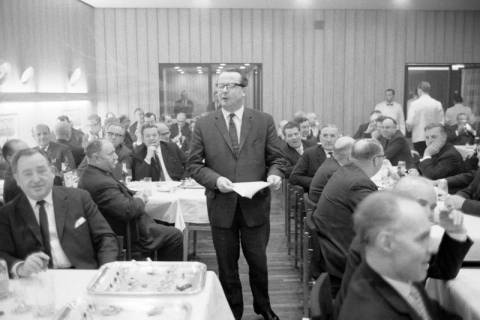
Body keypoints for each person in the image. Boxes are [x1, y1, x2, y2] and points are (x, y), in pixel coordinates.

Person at [187, 68, 284, 320]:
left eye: (229, 86)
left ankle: (264, 307)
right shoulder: (204, 123)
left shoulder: (263, 121)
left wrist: (275, 174)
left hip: (255, 205)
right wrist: (215, 180)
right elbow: (194, 164)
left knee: (258, 263)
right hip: (222, 204)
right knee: (226, 266)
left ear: (243, 90)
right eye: (219, 86)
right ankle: (232, 311)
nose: (222, 91)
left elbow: (276, 158)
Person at [336, 176, 472, 314]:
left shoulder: (397, 235)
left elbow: (442, 271)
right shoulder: (377, 244)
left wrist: (456, 231)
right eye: (423, 205)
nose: (431, 215)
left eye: (433, 207)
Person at [0, 148, 118, 277]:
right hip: (37, 281)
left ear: (52, 172)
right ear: (17, 179)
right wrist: (20, 266)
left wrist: (105, 271)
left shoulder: (79, 198)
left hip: (82, 276)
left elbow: (105, 237)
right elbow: (2, 253)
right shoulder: (7, 214)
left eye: (41, 171)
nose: (36, 179)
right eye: (27, 174)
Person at [78, 140, 183, 261]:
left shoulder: (95, 174)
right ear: (96, 158)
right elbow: (128, 211)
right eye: (111, 154)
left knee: (165, 224)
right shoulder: (100, 182)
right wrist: (140, 198)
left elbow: (120, 194)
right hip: (131, 233)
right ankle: (168, 276)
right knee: (175, 236)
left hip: (131, 225)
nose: (116, 157)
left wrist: (135, 195)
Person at [313, 139, 382, 293]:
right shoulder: (359, 182)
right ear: (376, 160)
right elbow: (380, 218)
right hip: (342, 254)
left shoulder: (346, 171)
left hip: (331, 245)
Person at [289, 125, 339, 191]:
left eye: (332, 136)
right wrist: (317, 182)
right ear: (320, 138)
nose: (328, 140)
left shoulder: (345, 154)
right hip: (317, 193)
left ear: (338, 138)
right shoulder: (310, 153)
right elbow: (294, 177)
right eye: (325, 136)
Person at [308, 137, 354, 204]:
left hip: (322, 203)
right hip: (325, 207)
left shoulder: (331, 161)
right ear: (349, 155)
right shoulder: (336, 171)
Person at [406, 81, 444, 156]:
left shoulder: (414, 104)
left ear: (419, 90)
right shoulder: (437, 103)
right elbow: (441, 123)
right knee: (433, 159)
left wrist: (409, 129)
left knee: (421, 159)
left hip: (419, 137)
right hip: (434, 137)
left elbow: (410, 122)